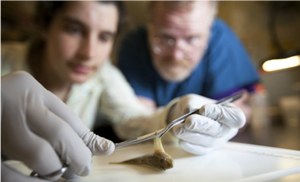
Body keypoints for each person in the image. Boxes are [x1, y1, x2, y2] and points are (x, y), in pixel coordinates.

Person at [0, 0, 246, 181]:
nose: (89, 53)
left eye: (104, 37)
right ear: (44, 26)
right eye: (74, 30)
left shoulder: (103, 76)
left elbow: (133, 119)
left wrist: (174, 115)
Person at [116, 0, 261, 123]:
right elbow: (140, 122)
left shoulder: (221, 40)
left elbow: (238, 109)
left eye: (191, 39)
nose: (176, 55)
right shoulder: (134, 45)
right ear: (151, 25)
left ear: (210, 30)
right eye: (166, 38)